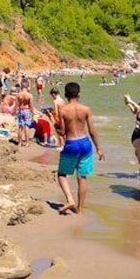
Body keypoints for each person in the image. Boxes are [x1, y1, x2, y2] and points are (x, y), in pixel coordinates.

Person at [56, 82, 104, 214]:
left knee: (61, 174)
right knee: (82, 176)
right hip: (85, 143)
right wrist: (98, 148)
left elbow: (63, 132)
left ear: (66, 95)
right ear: (79, 94)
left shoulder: (63, 110)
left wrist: (55, 127)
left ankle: (70, 199)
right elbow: (92, 131)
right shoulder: (86, 109)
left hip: (71, 144)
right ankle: (80, 210)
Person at [16, 79, 35, 147]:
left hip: (20, 110)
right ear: (27, 86)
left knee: (20, 127)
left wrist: (16, 112)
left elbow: (17, 105)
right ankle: (27, 142)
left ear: (21, 86)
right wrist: (32, 114)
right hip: (27, 110)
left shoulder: (18, 95)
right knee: (26, 127)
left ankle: (19, 142)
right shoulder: (29, 95)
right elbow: (31, 106)